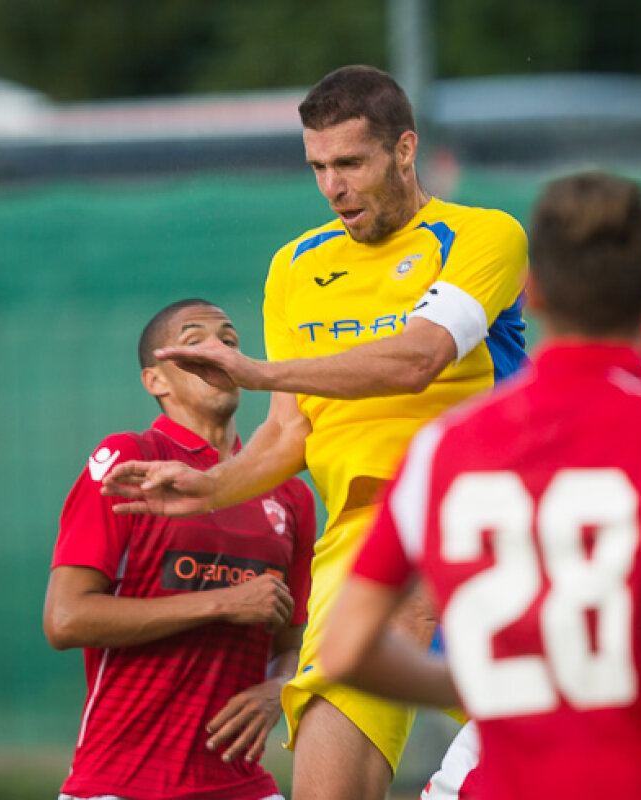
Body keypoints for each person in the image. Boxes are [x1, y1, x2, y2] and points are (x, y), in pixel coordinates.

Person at [103, 65, 529, 799]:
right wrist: (208, 488)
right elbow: (286, 438)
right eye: (319, 167)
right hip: (361, 543)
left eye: (351, 163)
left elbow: (419, 358)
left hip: (481, 524)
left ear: (404, 150)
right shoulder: (297, 266)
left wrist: (258, 370)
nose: (333, 186)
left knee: (566, 761)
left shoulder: (482, 235)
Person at [319, 172, 641, 800]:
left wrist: (461, 292)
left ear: (538, 294)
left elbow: (348, 648)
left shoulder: (453, 443)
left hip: (519, 726)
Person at [44, 298, 317, 800]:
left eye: (230, 342)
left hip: (242, 783)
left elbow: (293, 644)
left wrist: (280, 689)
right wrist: (222, 604)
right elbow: (65, 619)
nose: (219, 351)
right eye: (195, 341)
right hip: (121, 782)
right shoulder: (132, 460)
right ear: (156, 381)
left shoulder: (291, 493)